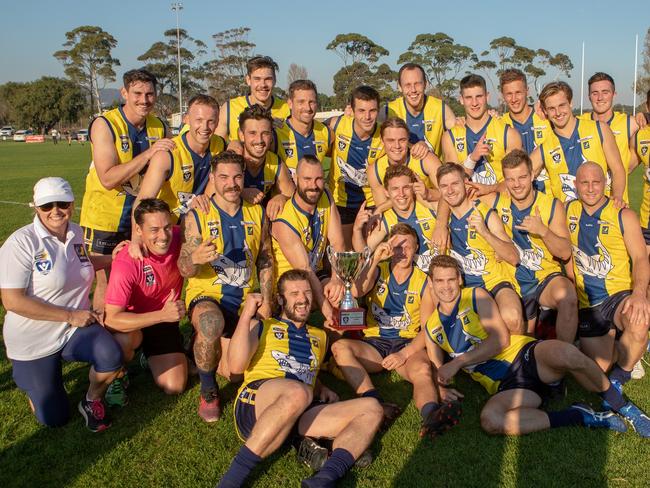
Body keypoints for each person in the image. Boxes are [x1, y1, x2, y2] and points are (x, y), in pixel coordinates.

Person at [424, 254, 650, 437]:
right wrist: (442, 388)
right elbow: (437, 369)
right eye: (440, 281)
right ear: (431, 283)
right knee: (490, 421)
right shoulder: (432, 328)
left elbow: (500, 339)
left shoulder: (475, 295)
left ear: (460, 280)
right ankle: (580, 415)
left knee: (567, 353)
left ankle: (623, 406)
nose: (446, 287)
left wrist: (459, 362)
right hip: (508, 385)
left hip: (526, 356)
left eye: (451, 279)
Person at [218, 270, 384, 488]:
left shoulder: (320, 335)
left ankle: (323, 479)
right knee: (298, 392)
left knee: (372, 408)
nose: (303, 298)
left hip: (300, 405)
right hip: (257, 401)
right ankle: (230, 481)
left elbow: (308, 370)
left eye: (307, 292)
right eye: (294, 293)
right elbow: (236, 366)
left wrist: (320, 387)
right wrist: (247, 315)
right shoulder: (262, 326)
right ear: (280, 299)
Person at [0, 177, 123, 432]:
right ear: (35, 207)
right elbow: (12, 301)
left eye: (62, 203)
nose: (56, 211)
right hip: (33, 340)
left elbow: (81, 261)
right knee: (54, 418)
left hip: (72, 330)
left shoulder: (75, 232)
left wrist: (114, 256)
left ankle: (92, 400)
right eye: (47, 206)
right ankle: (36, 384)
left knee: (111, 355)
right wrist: (70, 315)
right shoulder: (21, 243)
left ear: (72, 203)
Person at [332, 224, 461, 437]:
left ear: (416, 247)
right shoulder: (379, 270)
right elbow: (356, 290)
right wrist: (374, 259)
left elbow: (427, 329)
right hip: (374, 343)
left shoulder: (422, 281)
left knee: (422, 369)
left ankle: (432, 415)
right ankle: (375, 402)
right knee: (340, 348)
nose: (401, 252)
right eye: (396, 246)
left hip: (405, 342)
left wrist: (404, 353)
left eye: (406, 246)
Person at [179, 151, 273, 422]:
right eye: (223, 177)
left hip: (244, 301)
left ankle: (201, 347)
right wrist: (194, 259)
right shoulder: (199, 213)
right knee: (210, 322)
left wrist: (266, 299)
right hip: (207, 296)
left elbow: (265, 257)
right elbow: (184, 268)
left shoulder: (257, 212)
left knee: (236, 372)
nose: (231, 183)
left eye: (237, 176)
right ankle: (208, 390)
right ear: (212, 179)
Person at [80, 69, 173, 312]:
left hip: (142, 218)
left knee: (142, 276)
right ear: (124, 93)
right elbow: (108, 178)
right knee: (108, 282)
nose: (144, 100)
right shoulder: (105, 124)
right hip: (106, 217)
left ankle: (135, 336)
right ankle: (104, 336)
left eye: (150, 94)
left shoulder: (159, 126)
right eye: (138, 94)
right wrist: (149, 154)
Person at [566, 162, 650, 398]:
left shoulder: (623, 214)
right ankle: (614, 344)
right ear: (575, 185)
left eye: (596, 182)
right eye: (584, 183)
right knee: (600, 366)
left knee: (640, 318)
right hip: (588, 303)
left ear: (606, 184)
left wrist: (639, 294)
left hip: (618, 296)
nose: (591, 188)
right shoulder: (567, 211)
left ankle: (620, 377)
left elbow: (641, 258)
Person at [486, 149, 577, 341]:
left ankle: (564, 355)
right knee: (525, 339)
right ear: (504, 180)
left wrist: (543, 230)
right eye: (510, 179)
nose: (517, 184)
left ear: (532, 175)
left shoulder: (551, 205)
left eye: (522, 177)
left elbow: (564, 251)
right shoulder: (496, 202)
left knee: (567, 297)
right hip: (512, 281)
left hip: (544, 277)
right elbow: (456, 195)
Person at [103, 199, 188, 405]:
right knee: (123, 342)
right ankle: (117, 374)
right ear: (138, 231)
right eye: (154, 229)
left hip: (163, 323)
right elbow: (112, 320)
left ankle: (148, 357)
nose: (164, 235)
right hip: (135, 324)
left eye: (167, 226)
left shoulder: (180, 237)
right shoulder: (126, 262)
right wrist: (162, 315)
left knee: (174, 386)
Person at [435, 162, 524, 334]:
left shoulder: (486, 214)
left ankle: (517, 359)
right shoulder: (442, 219)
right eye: (444, 186)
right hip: (464, 289)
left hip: (494, 283)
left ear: (466, 183)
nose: (450, 190)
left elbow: (513, 257)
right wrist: (440, 224)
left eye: (455, 184)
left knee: (512, 317)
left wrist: (485, 232)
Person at [271, 155, 345, 326]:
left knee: (339, 296)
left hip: (316, 273)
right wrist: (324, 304)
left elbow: (337, 243)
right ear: (295, 179)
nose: (313, 185)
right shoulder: (285, 219)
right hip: (291, 279)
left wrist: (336, 280)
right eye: (307, 179)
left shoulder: (325, 195)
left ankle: (331, 348)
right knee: (318, 304)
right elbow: (304, 269)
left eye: (319, 179)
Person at [134, 94, 225, 225]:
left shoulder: (221, 146)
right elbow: (142, 202)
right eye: (198, 120)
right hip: (168, 230)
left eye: (211, 121)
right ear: (186, 119)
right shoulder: (167, 154)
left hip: (203, 227)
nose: (205, 127)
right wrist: (136, 241)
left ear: (217, 122)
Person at [530, 81, 626, 205]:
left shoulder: (599, 129)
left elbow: (617, 169)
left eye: (562, 105)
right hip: (567, 220)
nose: (558, 112)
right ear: (545, 111)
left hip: (602, 215)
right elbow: (519, 176)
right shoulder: (544, 148)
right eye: (551, 108)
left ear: (570, 103)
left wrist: (617, 196)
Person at [441, 74, 522, 192]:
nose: (474, 103)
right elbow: (451, 185)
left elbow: (517, 182)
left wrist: (489, 189)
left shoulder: (509, 134)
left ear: (487, 97)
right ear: (461, 100)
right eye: (468, 97)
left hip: (500, 207)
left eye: (479, 96)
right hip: (467, 207)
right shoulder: (450, 137)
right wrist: (472, 159)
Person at [353, 165, 438, 274]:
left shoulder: (430, 208)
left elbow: (450, 201)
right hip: (409, 283)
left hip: (438, 279)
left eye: (406, 187)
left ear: (413, 188)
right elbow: (363, 254)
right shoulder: (385, 220)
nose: (401, 194)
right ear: (386, 192)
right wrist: (357, 229)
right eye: (395, 189)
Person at [328, 86, 384, 248]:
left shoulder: (384, 136)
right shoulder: (337, 124)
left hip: (370, 204)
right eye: (361, 110)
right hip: (340, 202)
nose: (367, 117)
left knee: (367, 255)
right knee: (343, 254)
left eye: (372, 111)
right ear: (351, 110)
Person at [578, 72, 641, 203]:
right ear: (589, 96)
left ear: (614, 94)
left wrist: (645, 115)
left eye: (605, 92)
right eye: (595, 93)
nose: (600, 97)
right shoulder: (578, 122)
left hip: (617, 203)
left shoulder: (629, 123)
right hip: (586, 203)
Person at [498, 69, 552, 192]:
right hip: (516, 196)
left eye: (518, 92)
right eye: (509, 94)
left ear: (527, 91)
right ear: (502, 95)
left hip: (549, 196)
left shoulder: (546, 118)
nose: (514, 99)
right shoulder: (499, 125)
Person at [367, 117, 441, 208]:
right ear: (382, 141)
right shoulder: (374, 171)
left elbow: (449, 193)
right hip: (399, 219)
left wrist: (428, 193)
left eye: (402, 140)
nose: (397, 146)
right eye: (391, 140)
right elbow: (383, 210)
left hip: (429, 213)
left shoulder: (425, 159)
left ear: (408, 139)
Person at [385, 63, 456, 157]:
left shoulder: (440, 108)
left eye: (417, 84)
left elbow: (460, 136)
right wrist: (417, 147)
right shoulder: (388, 110)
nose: (413, 90)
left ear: (425, 84)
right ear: (399, 86)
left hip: (434, 169)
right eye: (407, 85)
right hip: (399, 170)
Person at [238, 105, 294, 220]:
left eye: (265, 133)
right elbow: (212, 197)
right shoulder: (231, 161)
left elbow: (292, 196)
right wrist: (240, 192)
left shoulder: (275, 162)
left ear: (272, 136)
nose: (259, 140)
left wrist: (282, 197)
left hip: (261, 222)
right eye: (252, 133)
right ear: (242, 136)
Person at [217, 55, 290, 143]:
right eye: (257, 79)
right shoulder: (229, 108)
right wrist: (234, 144)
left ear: (274, 80)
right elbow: (218, 146)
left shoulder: (287, 109)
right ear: (248, 80)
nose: (263, 85)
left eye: (268, 79)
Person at [275, 80, 331, 177]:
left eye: (311, 102)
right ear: (290, 103)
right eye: (301, 102)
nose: (307, 108)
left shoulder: (326, 132)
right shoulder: (276, 133)